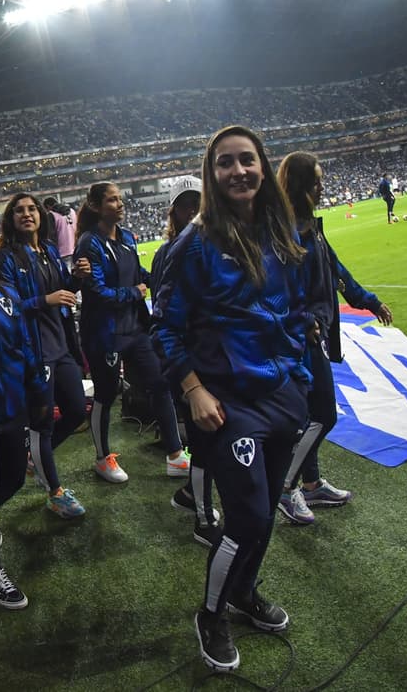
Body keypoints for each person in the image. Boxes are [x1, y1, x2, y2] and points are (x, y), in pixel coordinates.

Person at [153, 125, 313, 673]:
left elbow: (293, 310)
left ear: (263, 168)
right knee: (244, 520)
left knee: (265, 514)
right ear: (212, 174)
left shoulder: (280, 230)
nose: (238, 171)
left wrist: (294, 372)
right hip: (227, 405)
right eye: (226, 163)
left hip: (280, 396)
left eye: (247, 160)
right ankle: (212, 612)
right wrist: (193, 389)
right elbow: (164, 329)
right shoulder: (193, 244)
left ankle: (243, 593)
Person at [276, 152, 394, 525]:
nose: (322, 186)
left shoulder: (311, 228)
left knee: (314, 414)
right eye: (316, 181)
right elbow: (279, 292)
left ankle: (310, 483)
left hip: (314, 333)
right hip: (299, 339)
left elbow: (336, 271)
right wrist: (307, 320)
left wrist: (367, 301)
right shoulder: (285, 234)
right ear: (301, 186)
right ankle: (285, 486)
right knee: (323, 415)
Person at [74, 181, 188, 482]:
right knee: (106, 395)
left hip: (135, 329)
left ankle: (176, 454)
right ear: (97, 206)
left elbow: (138, 274)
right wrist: (136, 293)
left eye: (120, 199)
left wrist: (160, 277)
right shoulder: (89, 243)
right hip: (104, 334)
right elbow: (97, 291)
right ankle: (102, 458)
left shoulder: (126, 237)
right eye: (112, 200)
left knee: (160, 384)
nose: (120, 204)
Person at [0, 192, 88, 519]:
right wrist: (42, 300)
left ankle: (36, 456)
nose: (27, 214)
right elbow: (6, 307)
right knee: (42, 425)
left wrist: (76, 277)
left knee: (76, 410)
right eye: (19, 210)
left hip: (60, 345)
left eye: (32, 208)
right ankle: (55, 492)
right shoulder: (6, 257)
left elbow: (63, 292)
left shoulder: (48, 249)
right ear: (10, 218)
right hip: (34, 351)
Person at [0, 228, 48, 611]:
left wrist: (37, 390)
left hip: (13, 407)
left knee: (16, 478)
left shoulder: (6, 294)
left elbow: (24, 345)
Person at [150, 177, 221, 548]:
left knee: (211, 443)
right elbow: (164, 323)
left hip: (212, 361)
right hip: (188, 364)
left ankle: (191, 495)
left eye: (198, 203)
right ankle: (202, 516)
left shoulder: (214, 245)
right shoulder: (170, 253)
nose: (193, 211)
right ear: (174, 213)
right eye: (185, 206)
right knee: (204, 445)